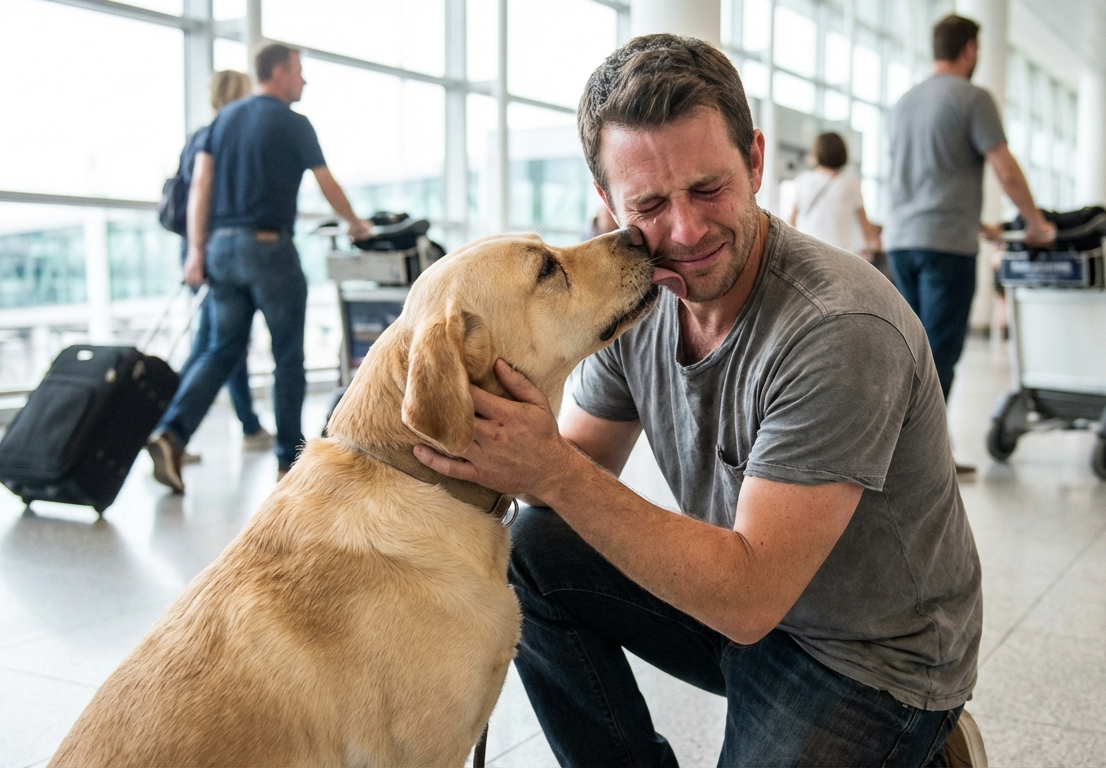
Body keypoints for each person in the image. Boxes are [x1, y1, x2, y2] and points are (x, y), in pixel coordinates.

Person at [414, 34, 983, 767]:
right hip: (739, 602)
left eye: (709, 188)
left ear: (754, 160)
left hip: (867, 659)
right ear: (608, 203)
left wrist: (549, 468)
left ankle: (926, 744)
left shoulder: (839, 327)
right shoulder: (637, 296)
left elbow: (748, 596)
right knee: (533, 553)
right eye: (649, 203)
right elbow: (573, 471)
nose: (684, 232)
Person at [147, 43, 372, 492]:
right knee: (288, 354)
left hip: (220, 251)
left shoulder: (222, 121)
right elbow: (327, 183)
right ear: (279, 72)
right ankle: (289, 461)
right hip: (268, 249)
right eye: (300, 71)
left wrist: (196, 251)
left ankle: (171, 434)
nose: (304, 80)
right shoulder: (293, 123)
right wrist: (357, 224)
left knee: (220, 350)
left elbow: (201, 188)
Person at [884, 14, 1055, 471]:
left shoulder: (903, 103)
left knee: (907, 350)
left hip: (902, 242)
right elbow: (1005, 167)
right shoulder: (973, 98)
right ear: (970, 50)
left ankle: (896, 452)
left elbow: (923, 181)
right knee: (939, 351)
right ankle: (925, 460)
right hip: (945, 247)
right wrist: (1036, 223)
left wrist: (983, 225)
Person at [172, 69, 273, 464]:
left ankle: (178, 430)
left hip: (202, 248)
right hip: (215, 249)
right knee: (218, 346)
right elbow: (204, 193)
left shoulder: (201, 134)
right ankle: (173, 429)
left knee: (218, 344)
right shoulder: (225, 136)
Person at [788, 131, 881, 256]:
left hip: (807, 253)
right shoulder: (851, 184)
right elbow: (864, 224)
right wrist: (869, 247)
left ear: (816, 153)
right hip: (840, 255)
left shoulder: (803, 181)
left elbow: (791, 221)